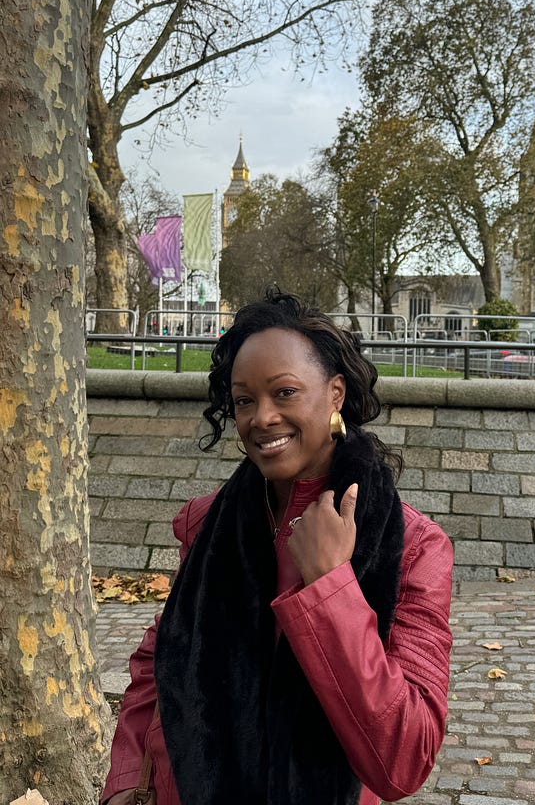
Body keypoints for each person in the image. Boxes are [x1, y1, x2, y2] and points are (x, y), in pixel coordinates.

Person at [101, 290, 454, 805]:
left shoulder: (415, 547)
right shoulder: (207, 525)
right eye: (244, 400)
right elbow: (159, 665)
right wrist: (127, 782)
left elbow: (404, 759)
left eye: (284, 392)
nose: (261, 418)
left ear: (335, 394)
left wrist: (332, 585)